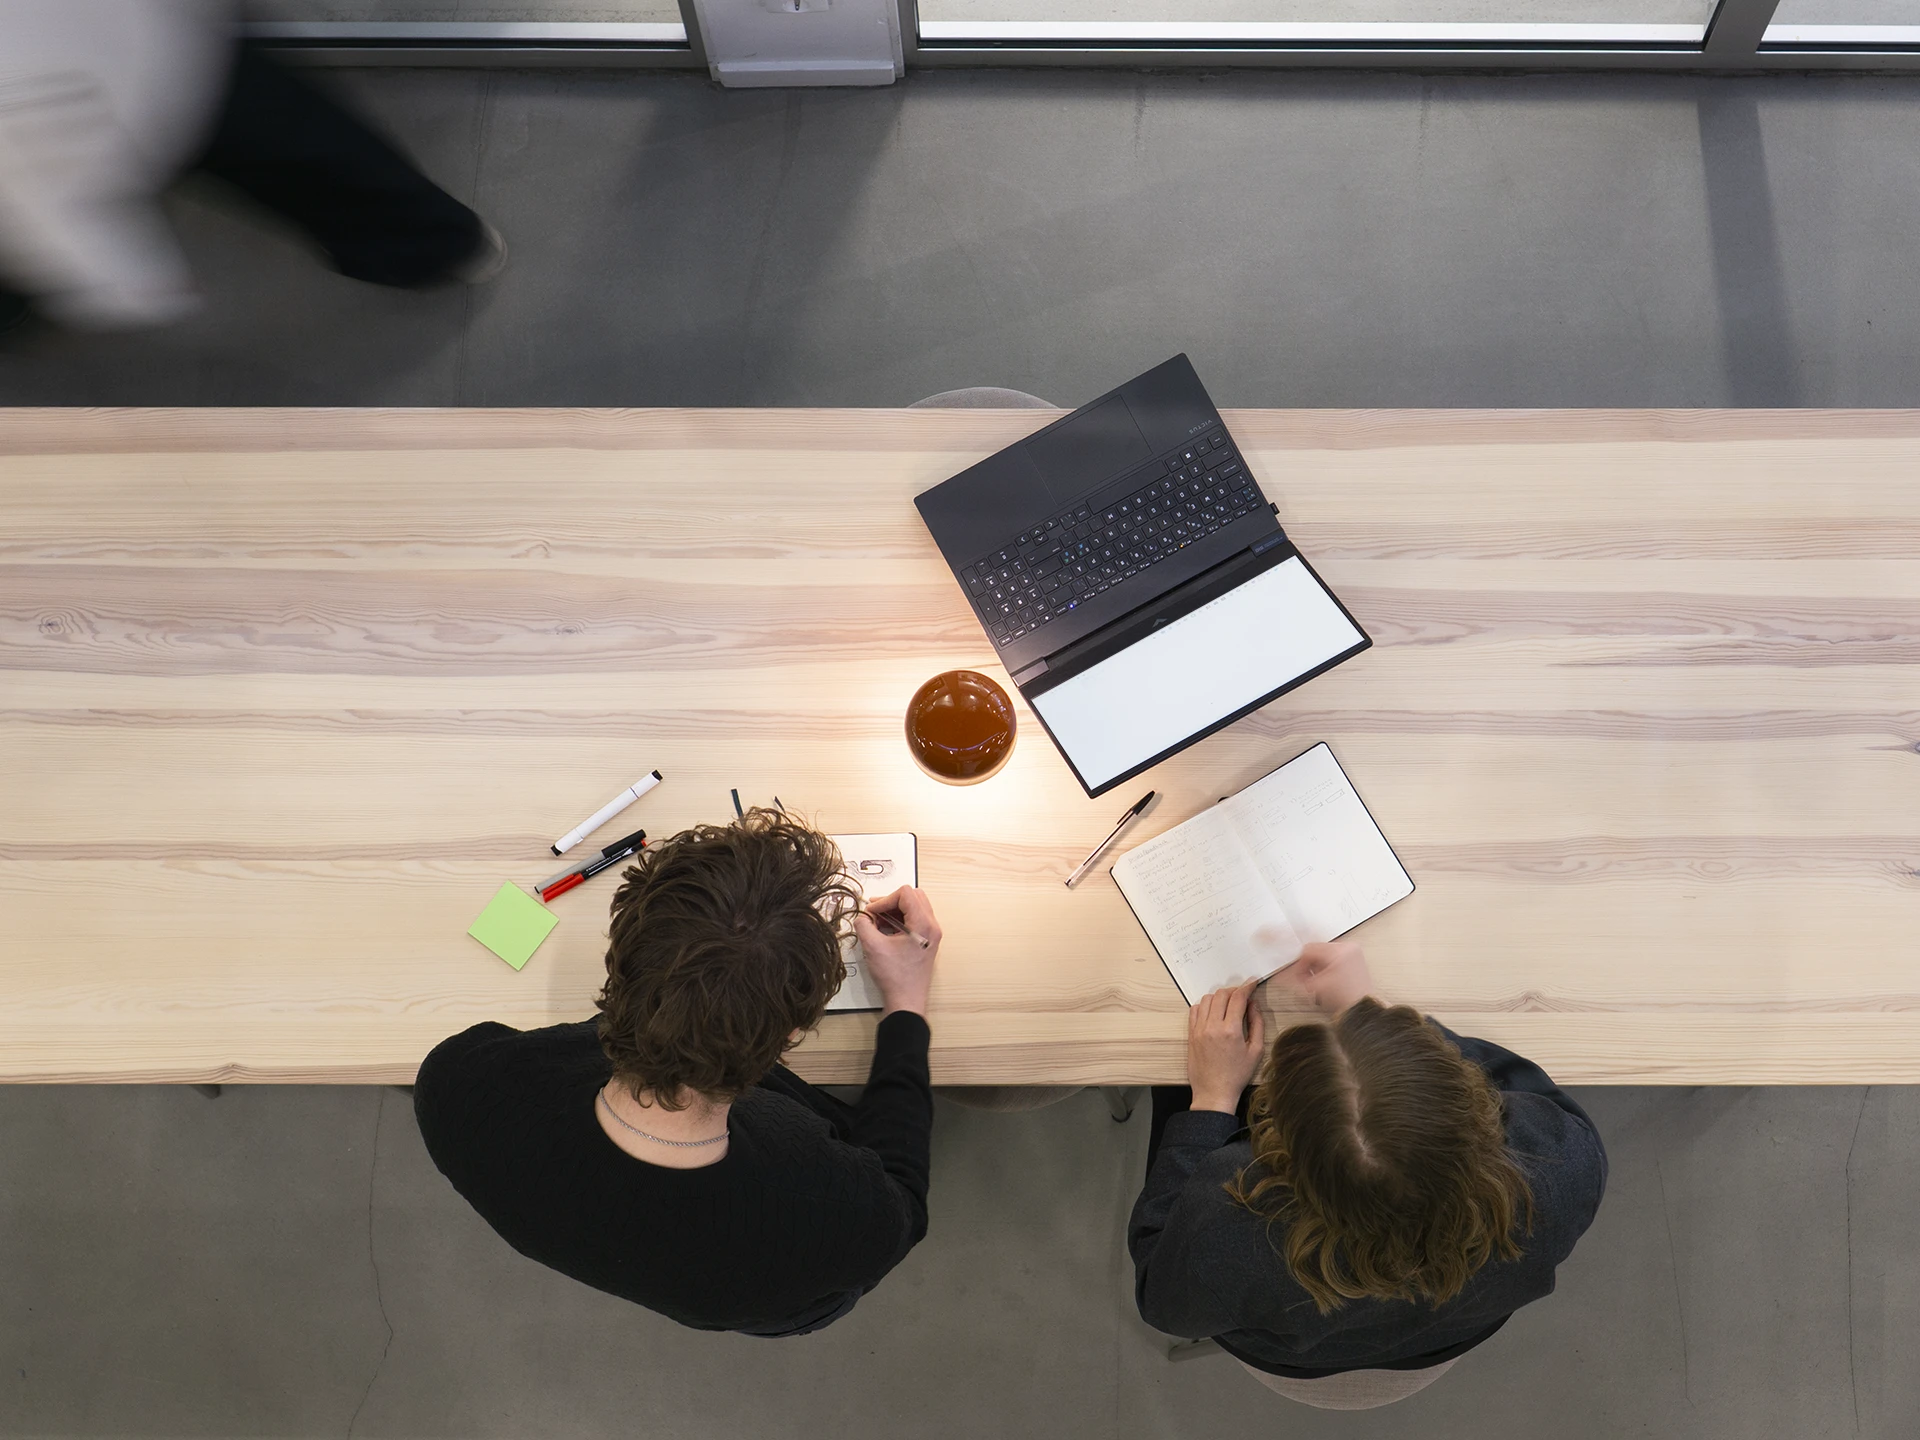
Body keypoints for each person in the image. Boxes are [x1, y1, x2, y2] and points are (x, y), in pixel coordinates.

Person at [414, 808, 939, 1337]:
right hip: (776, 1295)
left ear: (616, 963)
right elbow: (903, 1200)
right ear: (790, 1037)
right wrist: (907, 1007)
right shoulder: (834, 1213)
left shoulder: (458, 1086)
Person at [1130, 941, 1607, 1409]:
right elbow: (1518, 1081)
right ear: (1471, 1105)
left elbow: (1161, 1294)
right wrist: (1367, 1015)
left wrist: (1213, 1099)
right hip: (1450, 1329)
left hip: (1298, 1354)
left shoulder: (1229, 1227)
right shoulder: (1557, 1172)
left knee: (1174, 1092)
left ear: (1281, 1142)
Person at [0, 1, 500, 332]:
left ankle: (427, 242)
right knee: (299, 145)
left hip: (127, 66)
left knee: (287, 142)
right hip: (148, 45)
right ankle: (431, 244)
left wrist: (119, 280)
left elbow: (29, 199)